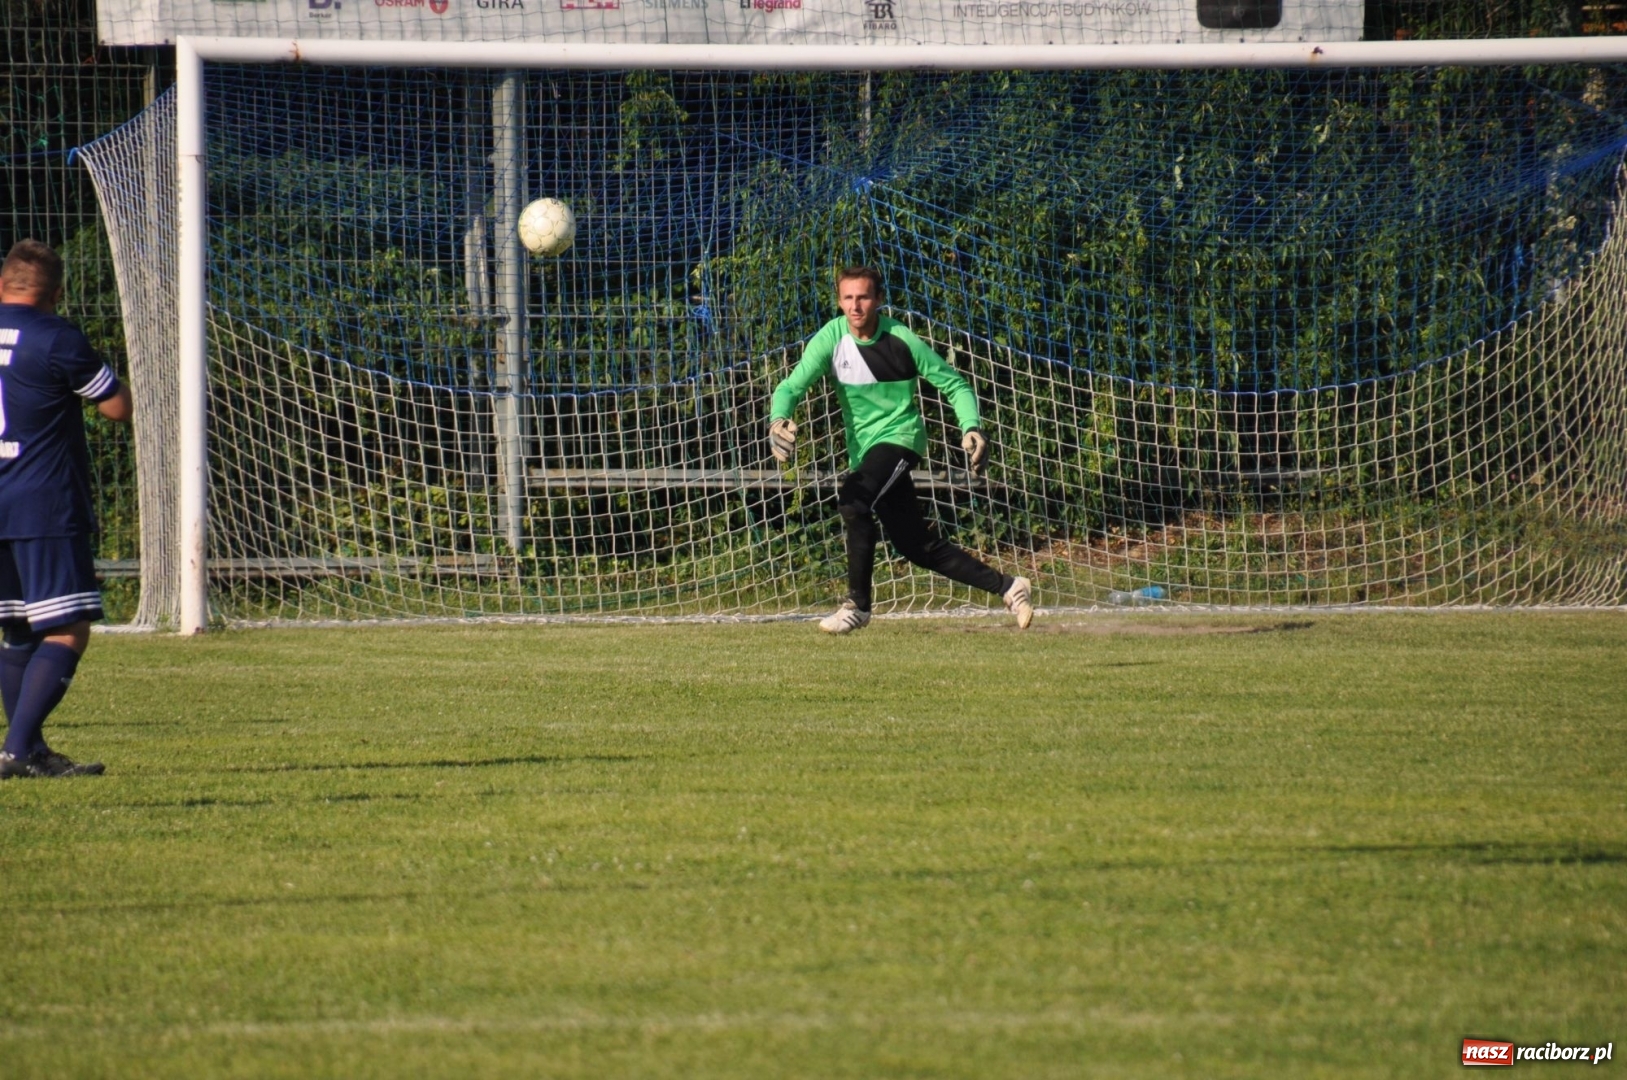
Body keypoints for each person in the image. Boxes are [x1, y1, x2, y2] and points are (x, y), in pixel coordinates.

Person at [768, 265, 1032, 634]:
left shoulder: (901, 339)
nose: (855, 306)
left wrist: (971, 427)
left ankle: (857, 607)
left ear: (878, 299)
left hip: (901, 439)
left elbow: (954, 385)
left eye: (863, 297)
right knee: (916, 546)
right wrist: (779, 418)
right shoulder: (831, 338)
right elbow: (790, 386)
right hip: (865, 453)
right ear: (839, 301)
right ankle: (1009, 586)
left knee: (852, 502)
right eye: (848, 297)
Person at [0, 239, 133, 779]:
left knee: (17, 630)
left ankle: (29, 754)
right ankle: (15, 750)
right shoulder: (55, 336)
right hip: (42, 501)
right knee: (67, 627)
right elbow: (115, 407)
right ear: (57, 293)